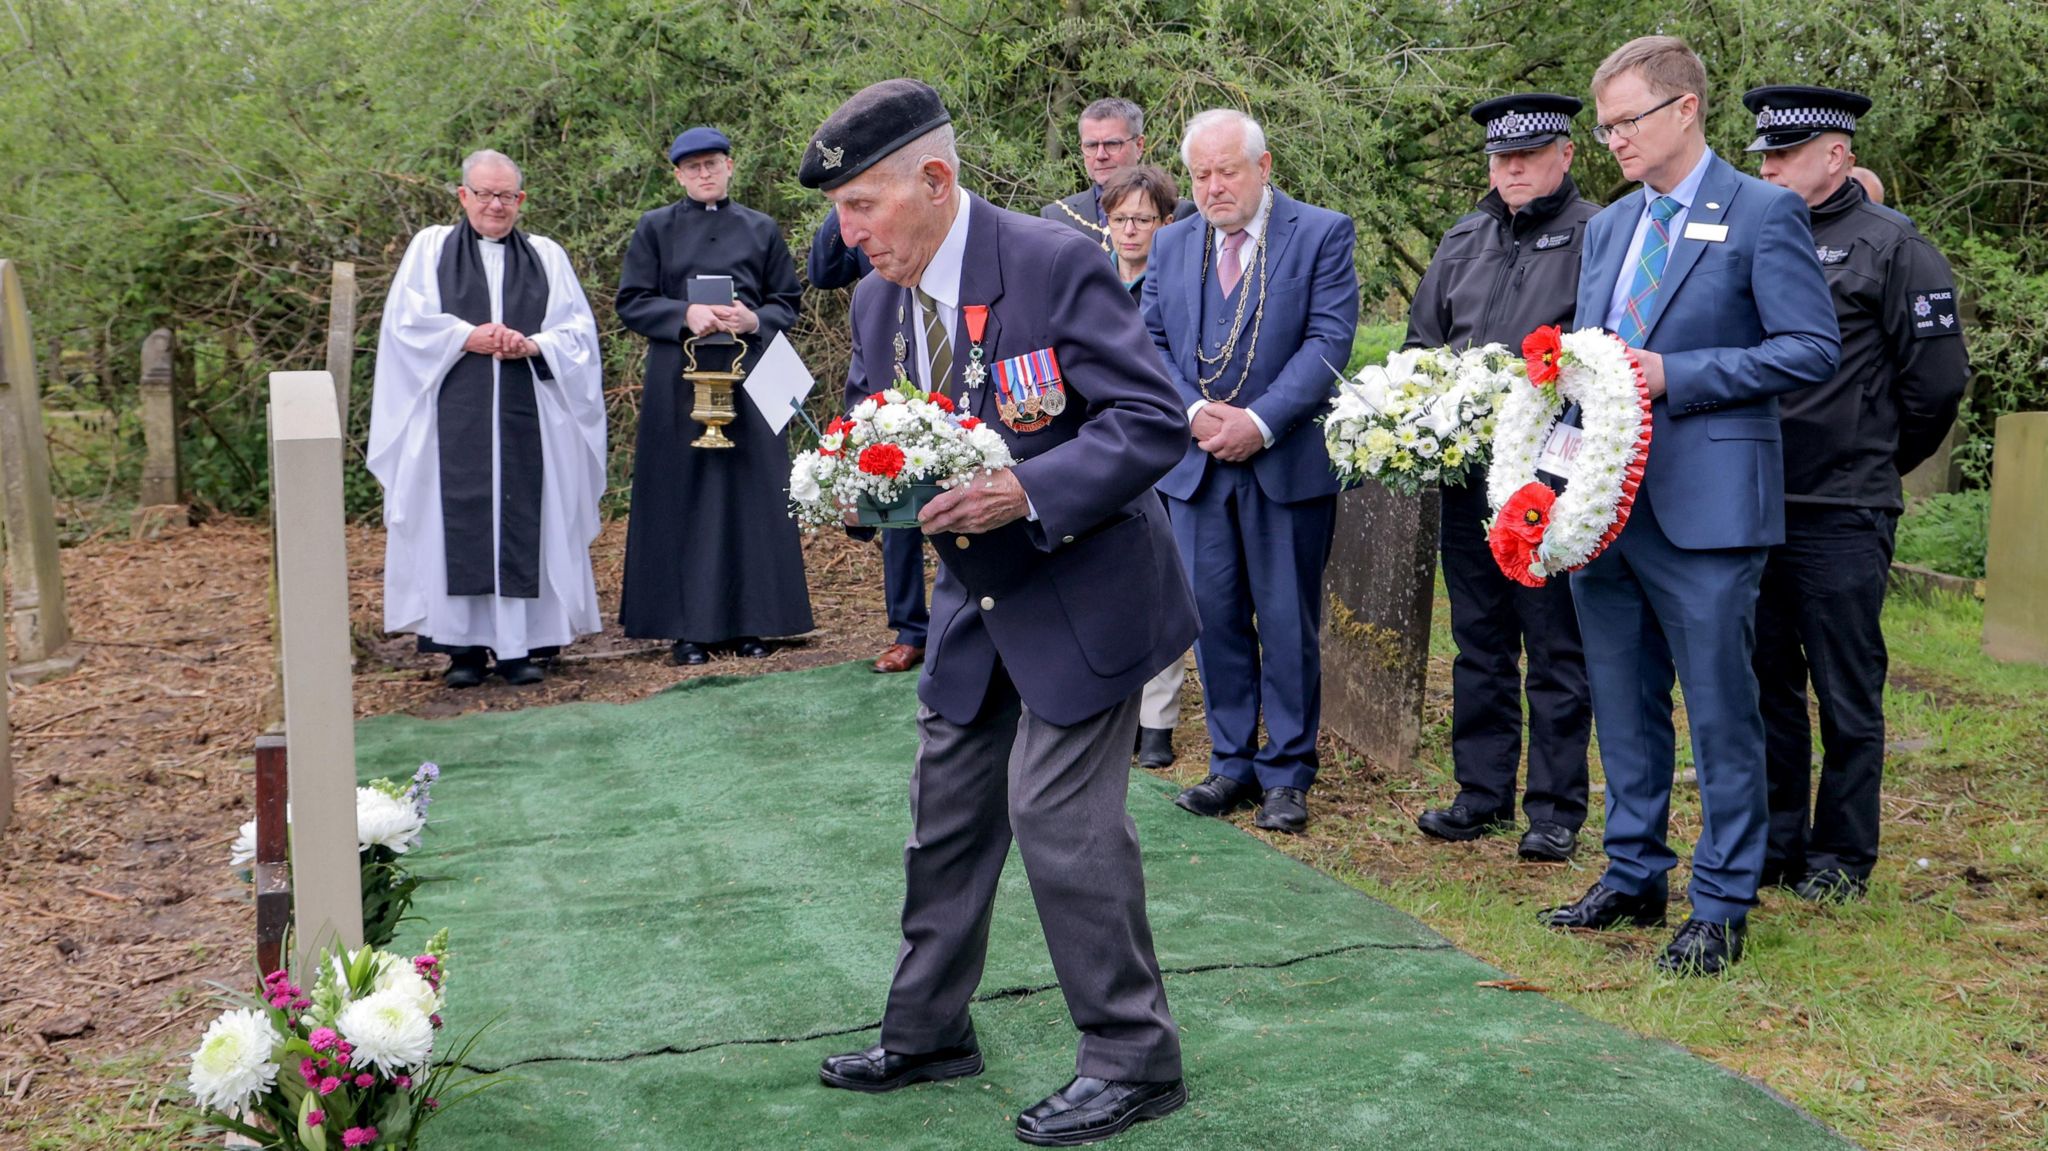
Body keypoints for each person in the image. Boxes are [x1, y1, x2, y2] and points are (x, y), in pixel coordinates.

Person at [801, 79, 1196, 1147]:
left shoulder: (1050, 259)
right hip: (976, 601)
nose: (847, 233)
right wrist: (852, 484)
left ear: (936, 181)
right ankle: (928, 1031)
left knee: (1060, 823)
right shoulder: (878, 296)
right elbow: (875, 426)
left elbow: (1152, 420)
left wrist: (1029, 485)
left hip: (1088, 588)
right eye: (839, 209)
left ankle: (1131, 1058)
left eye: (862, 206)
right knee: (946, 818)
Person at [1536, 37, 1839, 976]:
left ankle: (1720, 901)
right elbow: (1589, 365)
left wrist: (1681, 375)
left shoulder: (1764, 212)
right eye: (1606, 125)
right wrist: (1552, 475)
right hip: (1604, 507)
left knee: (1719, 709)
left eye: (1627, 120)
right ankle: (1634, 873)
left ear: (1685, 110)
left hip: (1707, 508)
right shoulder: (1609, 227)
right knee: (1621, 703)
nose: (1613, 139)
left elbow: (1810, 348)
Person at [1743, 84, 1969, 902]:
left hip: (1841, 506)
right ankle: (1774, 838)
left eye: (1786, 154)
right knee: (1765, 679)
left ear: (1836, 155)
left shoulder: (1892, 247)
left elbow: (1936, 386)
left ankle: (1841, 854)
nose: (1768, 167)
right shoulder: (1751, 237)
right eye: (1763, 153)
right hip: (1754, 497)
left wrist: (1870, 456)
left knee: (1843, 685)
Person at [1142, 109, 1360, 834]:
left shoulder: (1322, 234)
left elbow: (1329, 342)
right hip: (1198, 466)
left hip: (1284, 463)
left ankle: (1288, 772)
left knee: (1287, 622)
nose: (1212, 187)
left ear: (1263, 168)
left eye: (1226, 170)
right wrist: (1197, 413)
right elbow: (1147, 343)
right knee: (1215, 619)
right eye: (1200, 175)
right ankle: (1231, 763)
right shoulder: (1172, 246)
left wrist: (1259, 422)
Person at [1404, 94, 1598, 862]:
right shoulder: (1463, 237)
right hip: (1467, 480)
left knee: (1554, 648)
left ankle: (1554, 810)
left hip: (1549, 482)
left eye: (1529, 154)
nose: (1513, 169)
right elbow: (1425, 343)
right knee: (1478, 640)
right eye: (1501, 157)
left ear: (1565, 155)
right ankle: (1480, 792)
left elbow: (1606, 359)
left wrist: (1562, 464)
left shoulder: (1597, 236)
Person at [368, 149, 606, 689]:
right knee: (452, 522)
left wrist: (532, 343)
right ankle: (463, 650)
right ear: (463, 196)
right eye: (484, 194)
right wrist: (465, 336)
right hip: (452, 418)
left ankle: (520, 648)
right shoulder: (429, 250)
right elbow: (405, 327)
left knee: (528, 518)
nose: (495, 205)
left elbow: (577, 336)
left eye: (506, 196)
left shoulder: (547, 255)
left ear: (521, 201)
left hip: (529, 422)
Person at [616, 126, 812, 665]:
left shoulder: (761, 227)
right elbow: (631, 301)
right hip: (679, 379)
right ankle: (688, 629)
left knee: (752, 498)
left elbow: (786, 301)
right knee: (686, 497)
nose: (704, 174)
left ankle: (755, 622)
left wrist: (755, 317)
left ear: (730, 166)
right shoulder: (654, 229)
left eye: (713, 164)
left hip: (752, 376)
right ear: (677, 174)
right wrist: (684, 314)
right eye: (693, 167)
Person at [1094, 163, 1190, 768]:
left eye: (1143, 219)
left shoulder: (1179, 280)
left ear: (1166, 222)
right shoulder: (1088, 277)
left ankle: (1158, 718)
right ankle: (1117, 709)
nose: (1131, 230)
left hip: (1164, 446)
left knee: (1162, 579)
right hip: (1101, 447)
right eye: (1120, 218)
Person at [808, 209, 929, 675]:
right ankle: (910, 629)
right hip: (885, 353)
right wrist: (841, 206)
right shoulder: (854, 217)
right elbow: (823, 273)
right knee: (894, 495)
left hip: (950, 340)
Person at [1041, 98, 1195, 255]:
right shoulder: (1058, 215)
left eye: (1112, 144)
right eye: (1091, 146)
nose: (1100, 155)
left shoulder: (1180, 212)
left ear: (1139, 145)